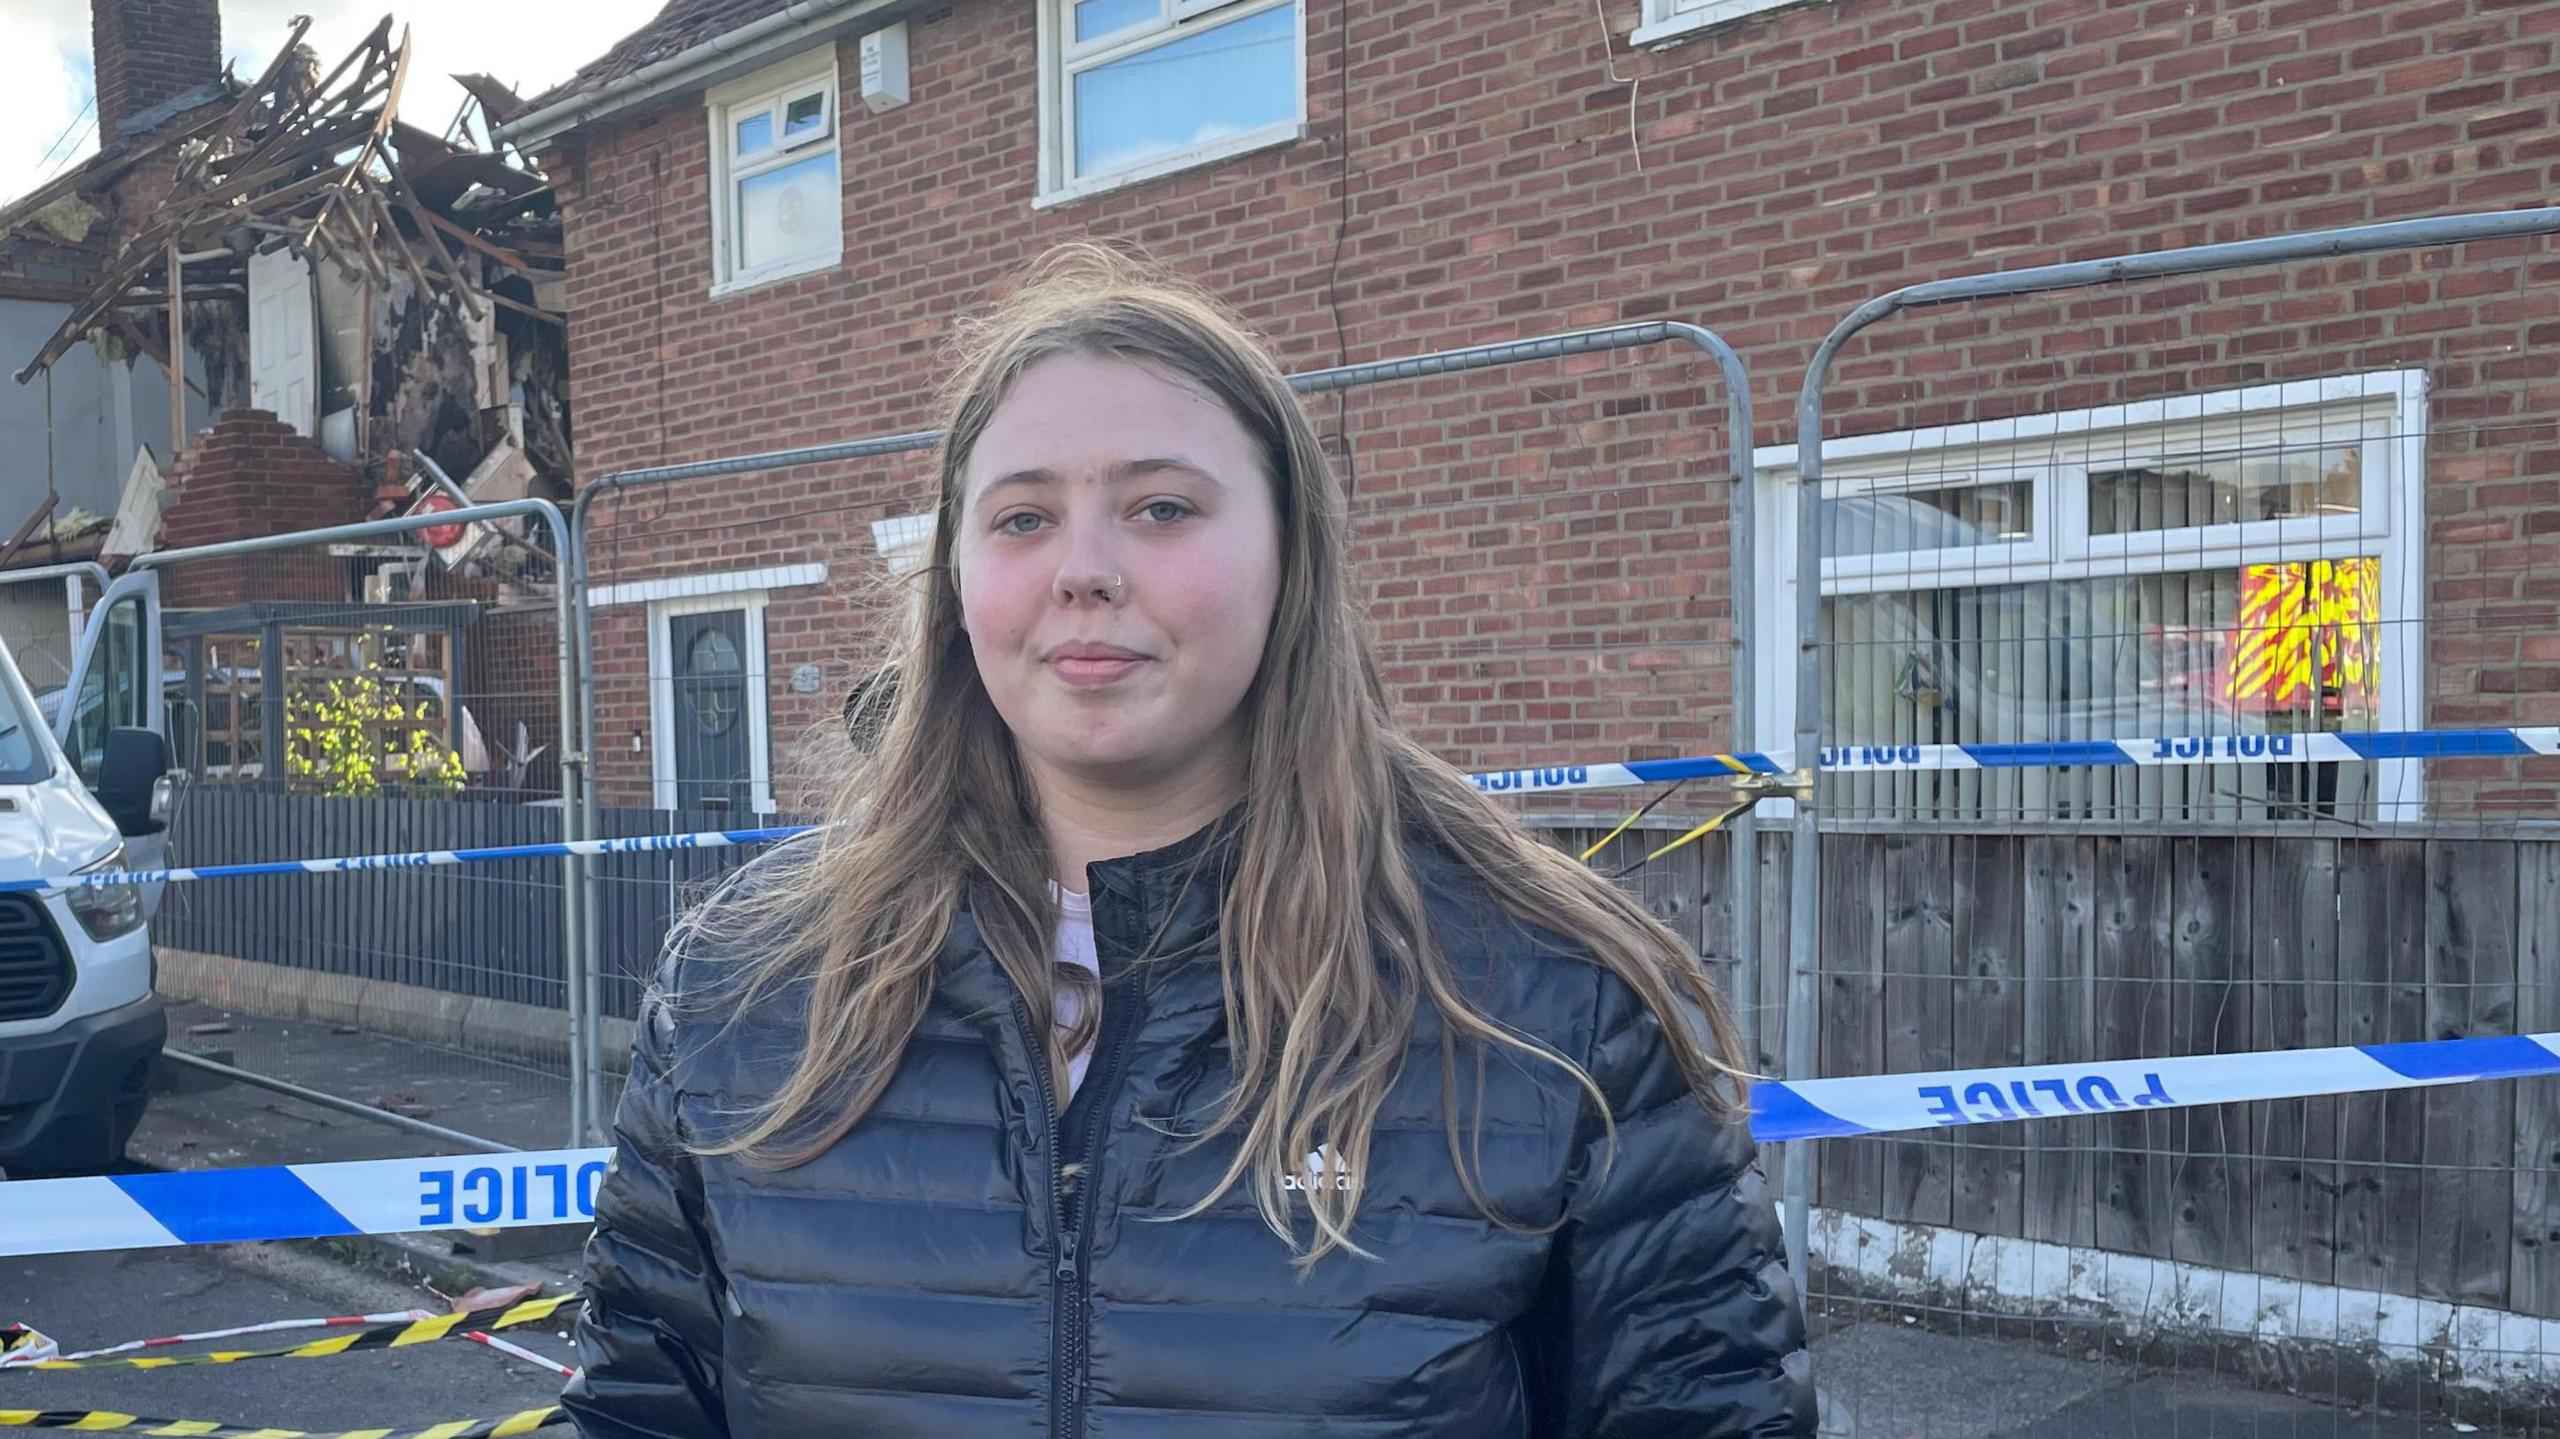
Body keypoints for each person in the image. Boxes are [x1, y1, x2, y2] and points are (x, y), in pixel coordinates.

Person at [561, 245, 1815, 1438]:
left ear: (1290, 559)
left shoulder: (1555, 1002)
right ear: (951, 579)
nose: (1084, 569)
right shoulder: (744, 980)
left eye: (1161, 507)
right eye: (1020, 518)